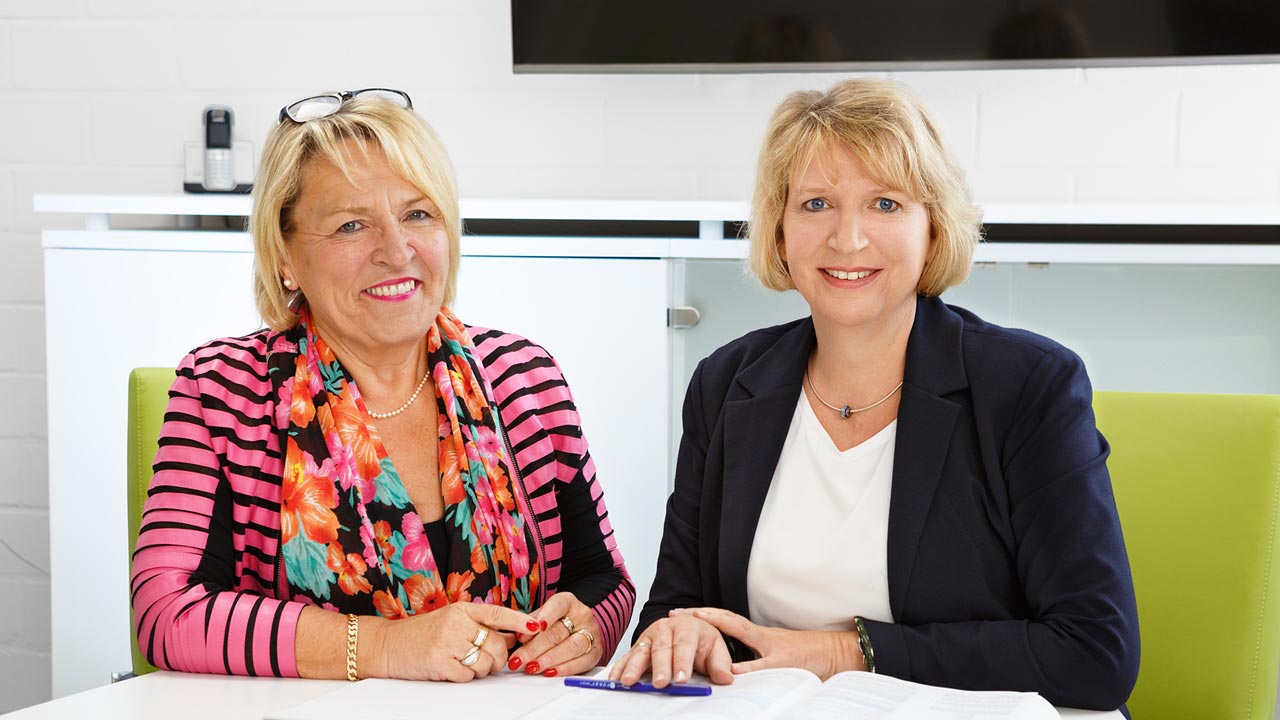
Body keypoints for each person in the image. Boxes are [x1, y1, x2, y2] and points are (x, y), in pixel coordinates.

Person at [612, 78, 1139, 712]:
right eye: (815, 204)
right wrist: (681, 633)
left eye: (885, 204)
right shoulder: (726, 384)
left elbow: (1095, 652)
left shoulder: (1029, 385)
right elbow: (674, 607)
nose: (847, 238)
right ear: (778, 232)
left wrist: (845, 653)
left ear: (934, 228)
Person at [130, 89, 634, 682]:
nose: (397, 251)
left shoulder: (524, 377)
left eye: (419, 214)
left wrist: (584, 630)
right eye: (351, 225)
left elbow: (603, 581)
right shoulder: (220, 390)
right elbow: (167, 613)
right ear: (284, 256)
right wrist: (385, 647)